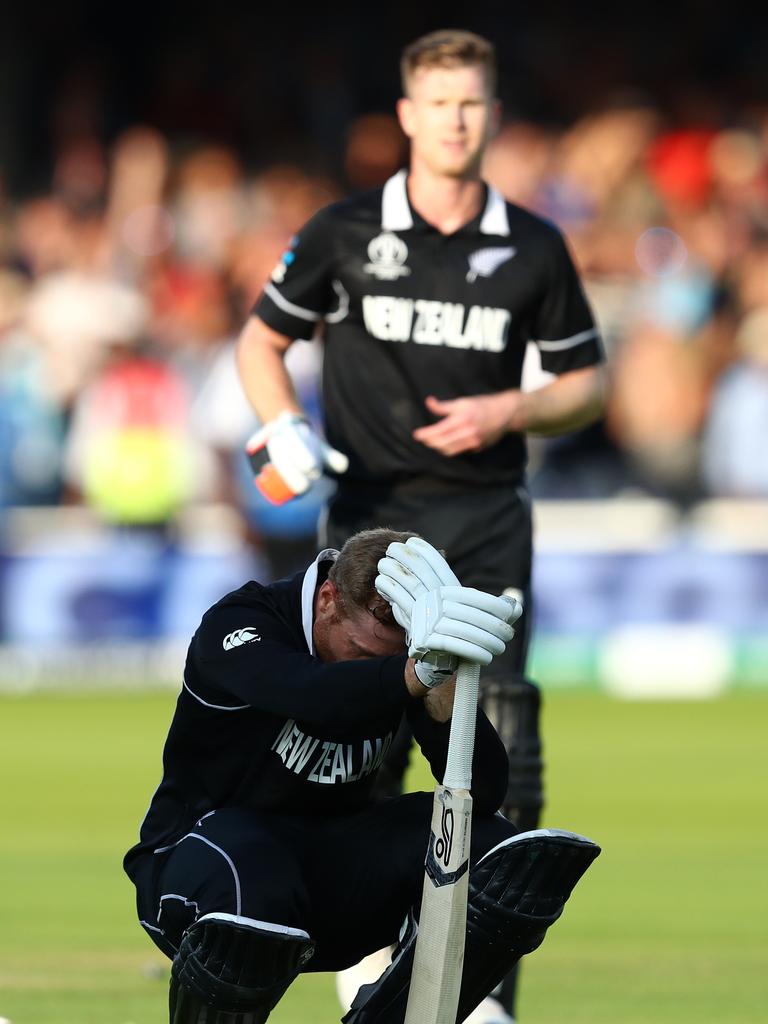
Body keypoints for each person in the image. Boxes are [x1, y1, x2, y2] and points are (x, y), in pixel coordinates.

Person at [235, 28, 607, 1021]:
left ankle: (477, 989)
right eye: (439, 103)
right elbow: (259, 342)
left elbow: (587, 381)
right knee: (355, 742)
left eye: (473, 103)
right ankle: (363, 962)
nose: (455, 120)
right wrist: (280, 423)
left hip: (484, 523)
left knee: (499, 745)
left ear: (492, 114)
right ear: (405, 115)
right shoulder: (342, 232)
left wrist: (510, 409)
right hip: (371, 536)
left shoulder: (533, 245)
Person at [124, 529, 600, 1024]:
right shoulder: (241, 623)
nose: (386, 668)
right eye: (362, 651)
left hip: (330, 869)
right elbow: (306, 691)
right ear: (328, 599)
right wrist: (408, 678)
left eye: (396, 659)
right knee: (250, 868)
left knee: (495, 851)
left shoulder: (408, 662)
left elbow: (482, 793)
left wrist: (445, 701)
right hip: (198, 870)